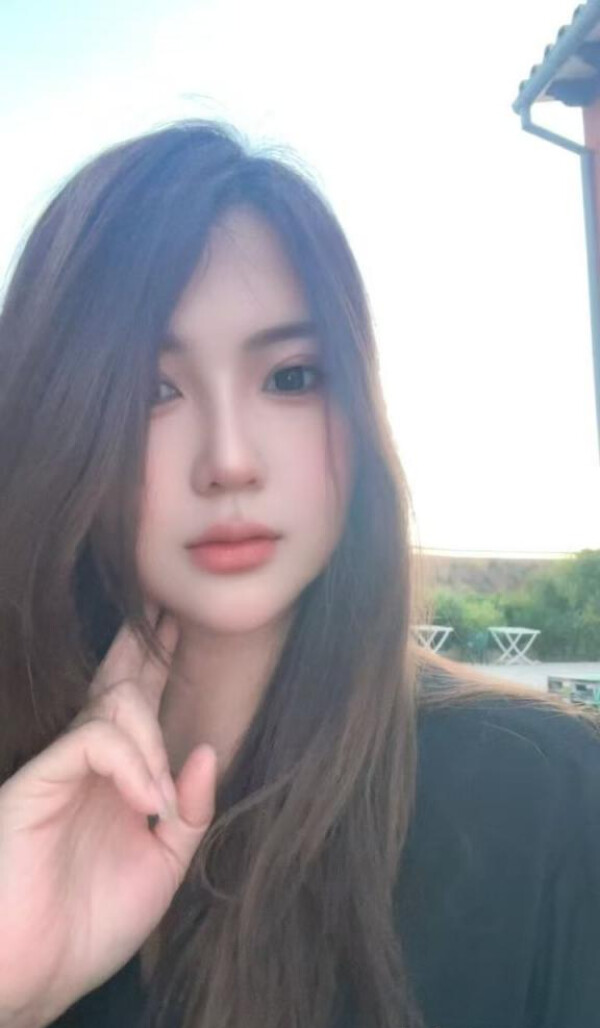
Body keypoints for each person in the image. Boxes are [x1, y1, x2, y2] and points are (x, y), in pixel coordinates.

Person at [0, 120, 599, 1028]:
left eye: (289, 378)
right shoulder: (22, 806)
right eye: (152, 392)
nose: (230, 461)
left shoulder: (546, 799)